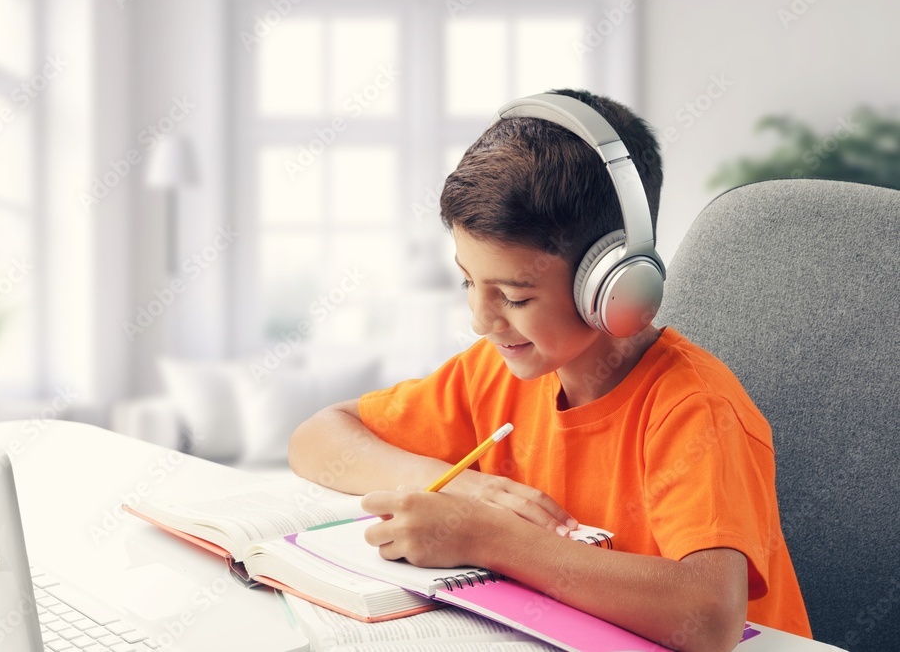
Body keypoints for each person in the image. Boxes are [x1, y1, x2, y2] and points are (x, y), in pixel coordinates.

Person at [288, 88, 811, 652]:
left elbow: (708, 616)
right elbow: (317, 438)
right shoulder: (494, 372)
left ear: (615, 287)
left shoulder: (693, 407)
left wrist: (487, 536)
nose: (481, 321)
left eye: (513, 296)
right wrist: (465, 488)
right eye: (469, 282)